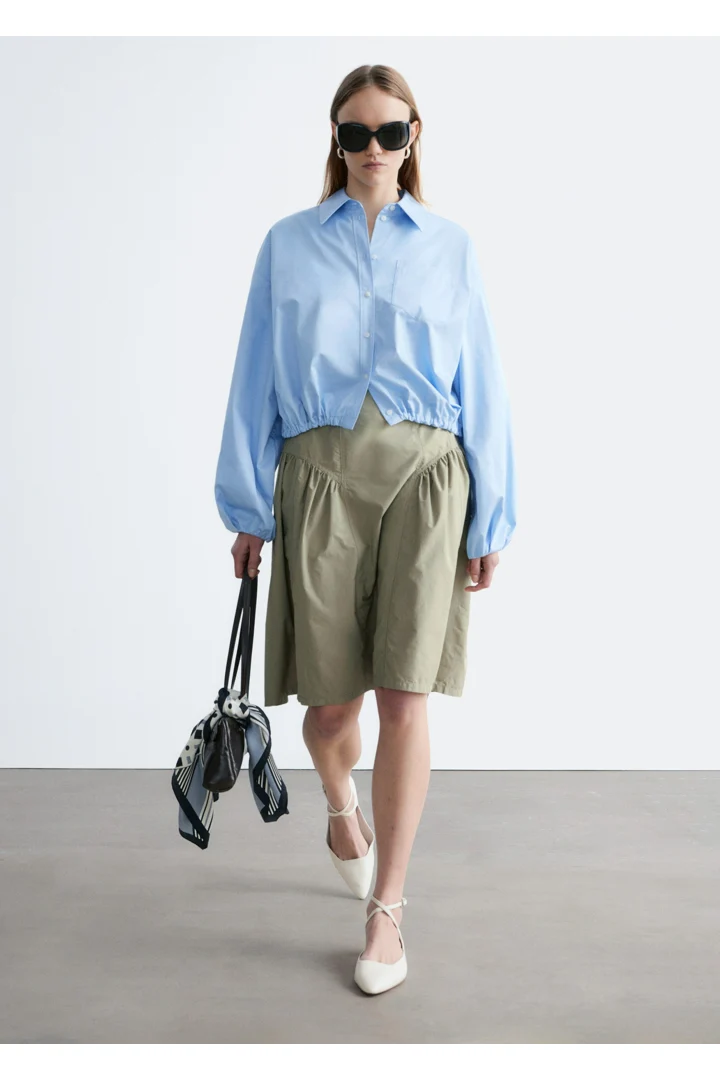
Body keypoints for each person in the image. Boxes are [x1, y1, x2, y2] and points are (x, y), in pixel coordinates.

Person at [214, 64, 516, 995]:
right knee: (331, 712)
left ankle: (388, 907)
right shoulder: (288, 244)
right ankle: (342, 805)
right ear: (336, 140)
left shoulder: (451, 247)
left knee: (405, 699)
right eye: (356, 133)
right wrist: (247, 507)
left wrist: (491, 513)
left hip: (427, 480)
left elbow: (482, 381)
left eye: (391, 132)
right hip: (318, 481)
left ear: (414, 136)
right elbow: (254, 375)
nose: (374, 149)